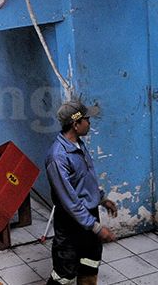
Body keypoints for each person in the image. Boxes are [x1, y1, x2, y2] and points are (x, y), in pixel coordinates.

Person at [45, 100, 118, 285]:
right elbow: (69, 200)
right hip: (70, 221)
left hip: (88, 215)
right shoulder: (58, 156)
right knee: (65, 272)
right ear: (76, 124)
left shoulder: (79, 145)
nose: (89, 123)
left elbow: (86, 179)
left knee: (90, 262)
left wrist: (101, 199)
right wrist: (96, 227)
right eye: (86, 119)